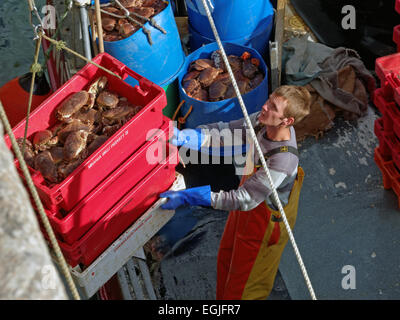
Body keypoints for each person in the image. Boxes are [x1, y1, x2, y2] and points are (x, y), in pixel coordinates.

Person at [160, 85, 311, 300]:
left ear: (287, 121)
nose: (264, 107)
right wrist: (188, 137)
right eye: (268, 100)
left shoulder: (283, 160)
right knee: (226, 259)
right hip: (247, 205)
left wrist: (191, 196)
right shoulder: (262, 121)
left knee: (245, 288)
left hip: (265, 224)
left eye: (273, 107)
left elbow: (242, 199)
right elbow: (228, 132)